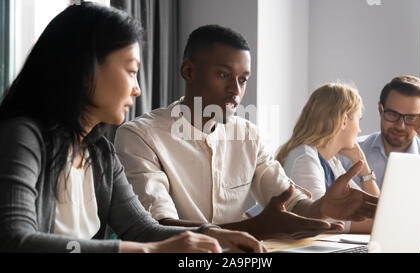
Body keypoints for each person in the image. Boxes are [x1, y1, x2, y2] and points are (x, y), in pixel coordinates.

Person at [0, 3, 265, 253]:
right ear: (84, 68)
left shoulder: (100, 151)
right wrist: (148, 250)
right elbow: (15, 240)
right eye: (130, 71)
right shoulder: (23, 136)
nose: (137, 89)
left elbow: (140, 228)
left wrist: (211, 234)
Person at [114, 24, 378, 240]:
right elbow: (158, 228)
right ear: (189, 71)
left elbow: (294, 201)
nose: (236, 91)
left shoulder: (249, 136)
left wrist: (322, 208)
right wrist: (254, 229)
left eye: (243, 80)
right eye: (223, 75)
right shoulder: (140, 136)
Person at [340, 75, 420, 227]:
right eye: (392, 114)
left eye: (410, 118)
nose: (400, 126)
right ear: (380, 109)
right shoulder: (350, 151)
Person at [270, 83, 379, 234]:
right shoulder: (303, 157)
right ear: (344, 121)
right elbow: (322, 219)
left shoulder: (331, 161)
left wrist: (364, 169)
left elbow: (371, 208)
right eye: (358, 120)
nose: (360, 130)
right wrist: (384, 223)